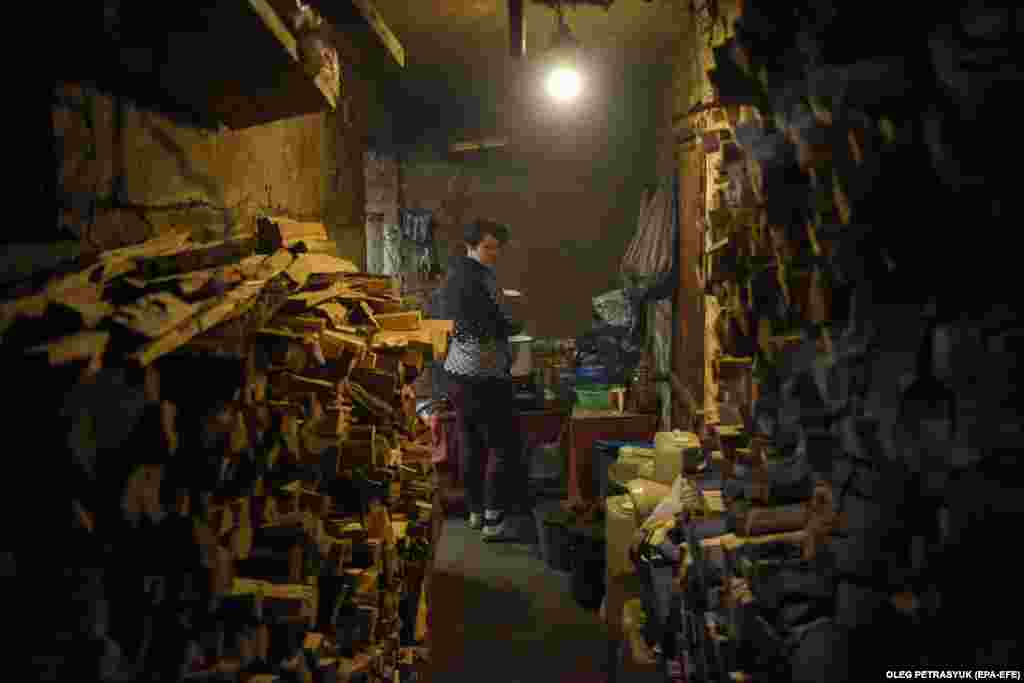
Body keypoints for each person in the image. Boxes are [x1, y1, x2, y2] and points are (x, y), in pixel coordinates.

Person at [441, 219, 530, 542]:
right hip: (481, 371)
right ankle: (494, 519)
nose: (494, 253)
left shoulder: (463, 273)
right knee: (501, 444)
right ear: (472, 246)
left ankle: (476, 512)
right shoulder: (470, 277)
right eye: (488, 247)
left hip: (458, 371)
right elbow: (485, 324)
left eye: (497, 248)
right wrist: (512, 325)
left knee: (471, 442)